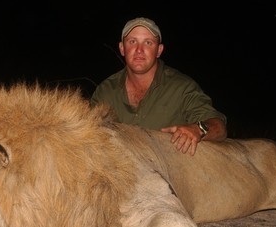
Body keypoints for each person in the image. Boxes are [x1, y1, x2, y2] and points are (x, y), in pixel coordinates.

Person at [90, 17, 227, 156]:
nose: (139, 50)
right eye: (132, 41)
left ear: (159, 50)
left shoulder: (181, 87)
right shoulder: (105, 91)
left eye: (148, 43)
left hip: (170, 175)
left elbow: (219, 128)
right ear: (122, 48)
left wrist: (198, 129)